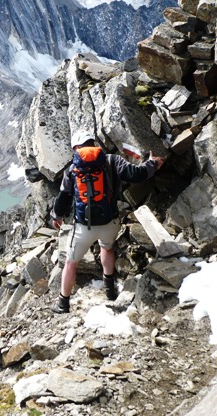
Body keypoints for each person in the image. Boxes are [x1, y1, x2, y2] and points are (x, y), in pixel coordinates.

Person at [50, 130, 164, 313]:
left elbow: (63, 197)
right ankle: (110, 290)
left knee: (71, 263)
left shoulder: (72, 169)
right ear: (93, 143)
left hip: (83, 228)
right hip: (109, 224)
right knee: (107, 248)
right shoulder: (112, 160)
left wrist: (57, 216)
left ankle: (63, 303)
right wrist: (153, 163)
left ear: (76, 148)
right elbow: (136, 175)